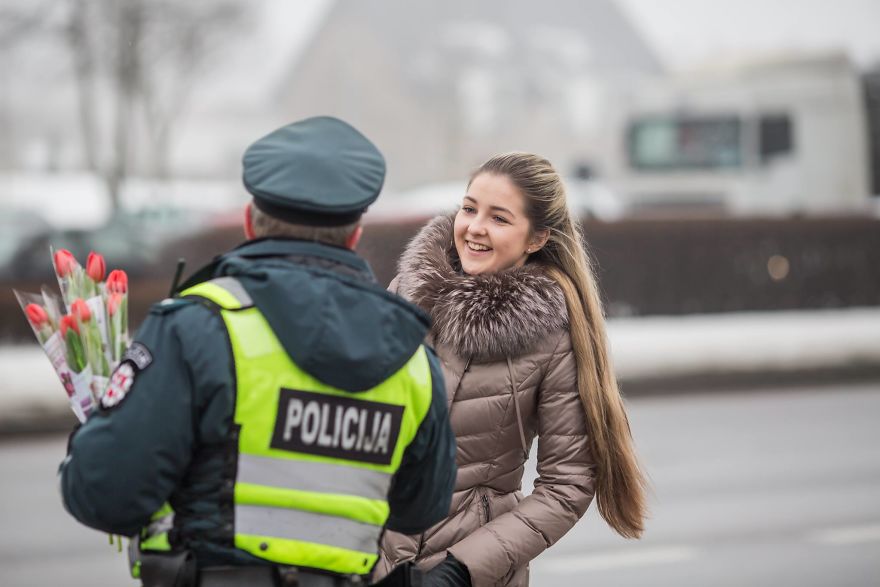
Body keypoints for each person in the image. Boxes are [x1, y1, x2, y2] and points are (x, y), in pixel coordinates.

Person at [59, 116, 457, 587]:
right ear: (354, 233)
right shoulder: (411, 357)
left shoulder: (196, 327)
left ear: (250, 221)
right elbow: (422, 508)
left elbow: (103, 493)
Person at [373, 152, 648, 587]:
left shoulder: (552, 336)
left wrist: (460, 570)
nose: (475, 227)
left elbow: (567, 484)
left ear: (536, 238)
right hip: (370, 565)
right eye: (469, 208)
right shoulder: (405, 295)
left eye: (499, 218)